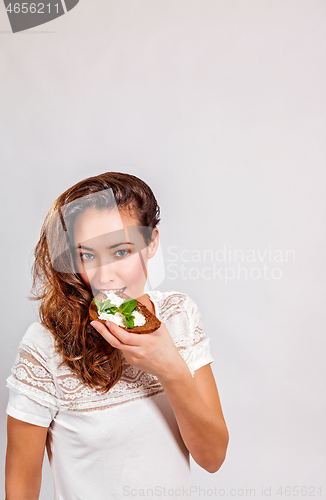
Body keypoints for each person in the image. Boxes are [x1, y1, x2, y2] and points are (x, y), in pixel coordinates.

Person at [5, 172, 229, 500]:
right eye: (88, 255)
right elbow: (21, 487)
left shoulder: (179, 315)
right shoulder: (45, 346)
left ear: (151, 242)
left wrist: (170, 368)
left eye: (121, 252)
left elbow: (213, 458)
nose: (105, 275)